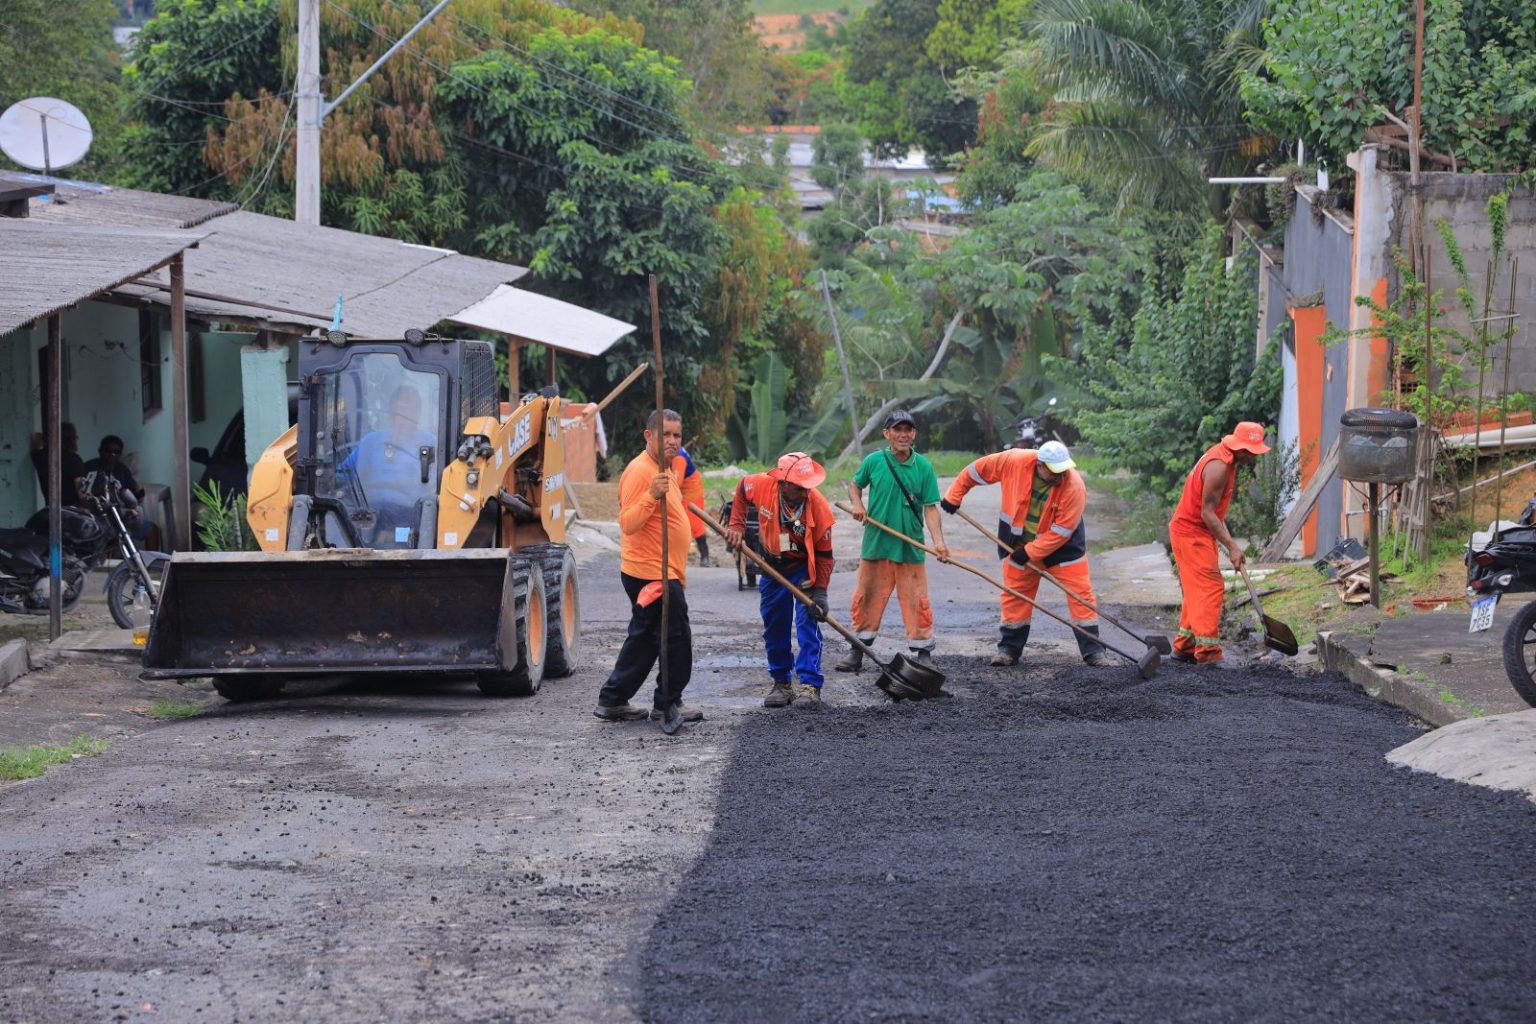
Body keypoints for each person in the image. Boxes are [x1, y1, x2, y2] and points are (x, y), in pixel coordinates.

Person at [941, 441, 1114, 667]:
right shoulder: (1013, 461)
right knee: (1015, 595)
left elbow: (1061, 532)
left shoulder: (1074, 486)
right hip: (1017, 544)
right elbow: (976, 470)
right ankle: (1009, 650)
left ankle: (1093, 651)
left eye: (1063, 469)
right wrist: (954, 496)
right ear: (1040, 465)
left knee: (1081, 596)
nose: (1061, 475)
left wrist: (1030, 552)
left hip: (1064, 550)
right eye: (1055, 471)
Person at [595, 409, 701, 732]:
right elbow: (627, 524)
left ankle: (613, 699)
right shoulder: (640, 472)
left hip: (662, 570)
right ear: (649, 436)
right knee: (675, 636)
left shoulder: (666, 469)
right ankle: (667, 702)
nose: (671, 441)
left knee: (644, 638)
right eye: (665, 435)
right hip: (651, 574)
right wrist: (652, 494)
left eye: (676, 436)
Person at [838, 410, 950, 672]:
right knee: (867, 598)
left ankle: (923, 652)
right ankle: (858, 651)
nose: (902, 435)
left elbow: (931, 508)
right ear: (886, 434)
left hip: (910, 545)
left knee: (916, 600)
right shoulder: (874, 461)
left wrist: (939, 543)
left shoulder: (924, 466)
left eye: (907, 430)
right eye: (897, 430)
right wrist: (858, 505)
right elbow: (855, 485)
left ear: (914, 434)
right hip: (876, 544)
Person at [727, 452, 835, 709]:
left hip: (803, 570)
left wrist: (820, 592)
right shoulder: (762, 485)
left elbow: (824, 555)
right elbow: (742, 488)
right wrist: (737, 525)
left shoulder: (818, 507)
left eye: (807, 487)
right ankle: (781, 683)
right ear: (783, 483)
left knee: (807, 624)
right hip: (772, 567)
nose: (805, 492)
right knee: (774, 625)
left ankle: (810, 685)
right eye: (799, 487)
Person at [1168, 422, 1271, 665]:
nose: (1254, 456)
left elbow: (1213, 515)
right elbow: (1207, 513)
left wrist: (1228, 544)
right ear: (1242, 449)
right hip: (1191, 533)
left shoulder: (1224, 457)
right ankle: (1208, 654)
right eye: (1252, 451)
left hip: (1197, 532)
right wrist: (1233, 547)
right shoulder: (1219, 467)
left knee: (1197, 589)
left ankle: (1185, 646)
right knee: (1209, 588)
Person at [336, 385, 437, 537]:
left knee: (402, 539)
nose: (406, 415)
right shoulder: (371, 442)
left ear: (419, 413)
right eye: (402, 409)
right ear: (392, 411)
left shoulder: (430, 443)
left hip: (411, 519)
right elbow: (342, 475)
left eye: (412, 409)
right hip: (369, 516)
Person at [30, 421, 86, 508]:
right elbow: (80, 490)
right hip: (72, 510)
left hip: (51, 508)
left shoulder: (40, 456)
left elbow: (37, 442)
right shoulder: (74, 460)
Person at [674, 446, 712, 566]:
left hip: (691, 491)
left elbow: (676, 483)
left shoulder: (679, 457)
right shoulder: (673, 450)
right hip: (682, 490)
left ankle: (705, 556)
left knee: (695, 524)